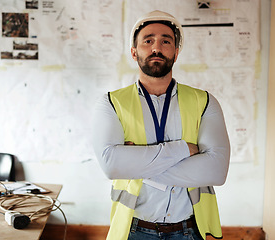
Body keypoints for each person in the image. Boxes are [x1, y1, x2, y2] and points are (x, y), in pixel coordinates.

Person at [92, 10, 230, 240]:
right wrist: (183, 150)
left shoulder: (204, 101)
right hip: (134, 229)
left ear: (176, 54)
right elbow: (111, 166)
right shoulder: (111, 103)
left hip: (188, 230)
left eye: (166, 41)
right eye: (148, 41)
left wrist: (136, 163)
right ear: (134, 53)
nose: (157, 47)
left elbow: (217, 171)